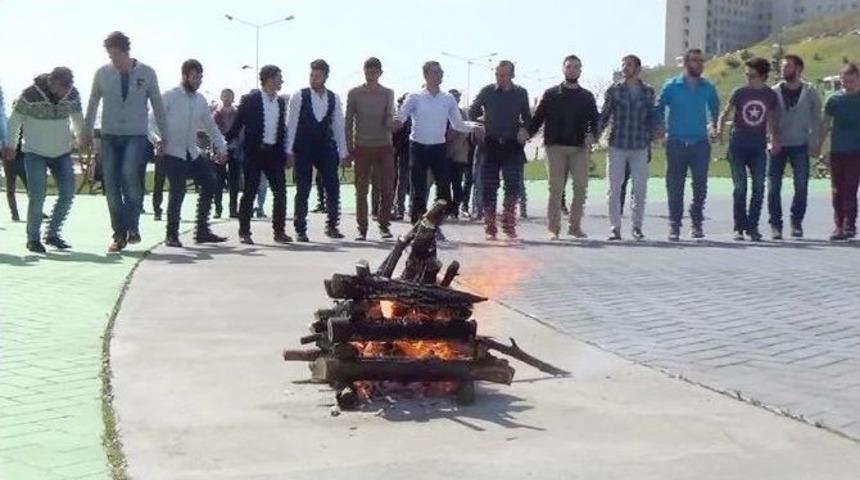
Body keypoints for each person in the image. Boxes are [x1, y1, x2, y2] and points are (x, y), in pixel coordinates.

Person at [82, 31, 167, 252]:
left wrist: (164, 135)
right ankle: (118, 234)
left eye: (117, 54)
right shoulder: (102, 73)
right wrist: (86, 131)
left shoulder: (147, 73)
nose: (114, 60)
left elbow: (157, 104)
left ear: (126, 51)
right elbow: (92, 102)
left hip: (136, 134)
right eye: (110, 55)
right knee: (111, 185)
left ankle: (133, 226)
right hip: (109, 134)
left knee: (130, 174)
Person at [4, 67, 83, 252]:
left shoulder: (72, 94)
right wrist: (11, 145)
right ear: (52, 82)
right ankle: (33, 239)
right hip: (35, 152)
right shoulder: (30, 94)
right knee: (38, 196)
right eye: (61, 88)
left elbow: (77, 118)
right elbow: (15, 120)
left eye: (67, 88)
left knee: (68, 192)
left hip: (62, 152)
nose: (64, 94)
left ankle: (53, 233)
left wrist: (81, 138)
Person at [149, 59, 228, 248]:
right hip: (171, 152)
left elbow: (210, 126)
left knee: (210, 181)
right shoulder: (169, 96)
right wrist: (156, 139)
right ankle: (171, 235)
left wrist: (222, 146)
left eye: (200, 77)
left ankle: (202, 230)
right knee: (178, 190)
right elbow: (149, 122)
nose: (198, 81)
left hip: (191, 152)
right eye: (195, 77)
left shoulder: (200, 100)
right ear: (185, 76)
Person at [396, 61, 472, 235]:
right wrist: (394, 122)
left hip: (438, 147)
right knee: (419, 189)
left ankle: (434, 224)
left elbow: (458, 124)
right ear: (426, 75)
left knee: (444, 190)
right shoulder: (415, 97)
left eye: (441, 72)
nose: (440, 75)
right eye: (436, 72)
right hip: (418, 146)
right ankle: (417, 226)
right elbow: (401, 116)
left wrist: (474, 128)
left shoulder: (448, 98)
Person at [528, 54, 599, 240]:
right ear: (563, 69)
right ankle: (553, 228)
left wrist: (593, 135)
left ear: (581, 70)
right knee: (556, 189)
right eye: (569, 67)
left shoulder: (587, 97)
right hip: (555, 147)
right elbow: (538, 118)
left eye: (576, 67)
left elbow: (595, 121)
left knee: (581, 187)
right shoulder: (551, 94)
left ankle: (575, 226)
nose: (572, 70)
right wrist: (526, 134)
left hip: (579, 148)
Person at [654, 48, 720, 241]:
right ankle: (674, 225)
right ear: (685, 63)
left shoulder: (708, 87)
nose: (699, 64)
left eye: (701, 61)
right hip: (676, 142)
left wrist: (715, 126)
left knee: (700, 185)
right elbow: (658, 107)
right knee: (675, 185)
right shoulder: (671, 86)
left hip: (700, 143)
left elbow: (715, 108)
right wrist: (659, 128)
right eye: (694, 60)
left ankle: (697, 222)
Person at [226, 64, 291, 245]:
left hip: (274, 154)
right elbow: (237, 125)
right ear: (269, 79)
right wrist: (223, 144)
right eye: (279, 77)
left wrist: (286, 152)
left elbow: (282, 130)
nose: (281, 81)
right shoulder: (250, 100)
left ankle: (279, 231)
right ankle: (244, 231)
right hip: (254, 153)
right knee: (249, 191)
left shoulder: (280, 102)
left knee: (280, 192)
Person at [717, 57, 780, 242]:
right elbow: (726, 113)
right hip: (738, 146)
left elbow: (770, 119)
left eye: (752, 75)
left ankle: (753, 226)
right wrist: (719, 130)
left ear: (763, 76)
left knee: (759, 187)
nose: (748, 78)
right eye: (746, 75)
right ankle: (739, 227)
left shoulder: (769, 95)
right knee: (740, 187)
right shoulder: (740, 92)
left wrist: (774, 139)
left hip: (758, 148)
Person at [468, 60, 532, 240]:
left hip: (512, 145)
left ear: (512, 75)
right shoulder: (487, 91)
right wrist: (478, 124)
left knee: (513, 185)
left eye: (503, 75)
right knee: (489, 185)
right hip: (490, 144)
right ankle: (490, 225)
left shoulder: (520, 93)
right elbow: (472, 111)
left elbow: (528, 118)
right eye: (497, 74)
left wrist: (524, 129)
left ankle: (508, 223)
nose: (500, 78)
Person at [286, 59, 349, 242]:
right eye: (312, 75)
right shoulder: (299, 95)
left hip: (325, 146)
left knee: (333, 186)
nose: (314, 78)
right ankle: (300, 228)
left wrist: (343, 152)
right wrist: (288, 150)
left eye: (318, 75)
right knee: (303, 187)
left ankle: (332, 225)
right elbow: (291, 124)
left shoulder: (333, 97)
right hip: (304, 147)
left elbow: (338, 125)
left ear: (325, 77)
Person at [598, 54, 655, 241]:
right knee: (614, 188)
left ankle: (637, 227)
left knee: (639, 188)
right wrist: (594, 135)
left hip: (639, 145)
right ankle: (615, 227)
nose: (625, 68)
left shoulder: (648, 91)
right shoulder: (614, 91)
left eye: (629, 65)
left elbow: (651, 118)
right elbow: (605, 115)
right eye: (623, 65)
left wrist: (654, 137)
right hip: (618, 145)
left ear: (638, 69)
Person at [768, 54, 821, 239]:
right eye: (782, 66)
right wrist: (773, 139)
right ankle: (775, 224)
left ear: (798, 69)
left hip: (800, 144)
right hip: (778, 145)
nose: (784, 69)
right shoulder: (774, 92)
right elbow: (770, 118)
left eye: (788, 66)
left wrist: (815, 141)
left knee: (801, 185)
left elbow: (816, 118)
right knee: (774, 186)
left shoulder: (810, 91)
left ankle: (796, 220)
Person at [345, 57, 396, 240]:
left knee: (387, 188)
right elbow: (348, 121)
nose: (371, 74)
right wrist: (348, 148)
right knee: (361, 189)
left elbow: (390, 115)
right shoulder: (355, 93)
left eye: (374, 71)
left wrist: (393, 122)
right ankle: (362, 228)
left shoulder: (388, 93)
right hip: (362, 146)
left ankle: (384, 225)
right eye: (368, 71)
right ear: (364, 72)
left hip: (384, 145)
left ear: (380, 73)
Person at [821, 63, 860, 241]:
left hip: (856, 151)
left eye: (851, 81)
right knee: (837, 189)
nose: (847, 84)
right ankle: (839, 225)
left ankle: (849, 224)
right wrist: (822, 147)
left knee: (850, 188)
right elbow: (825, 125)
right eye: (844, 81)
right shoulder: (834, 100)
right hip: (838, 150)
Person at [213, 88, 243, 218]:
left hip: (235, 149)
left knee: (234, 181)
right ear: (221, 97)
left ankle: (233, 209)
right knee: (218, 180)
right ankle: (218, 209)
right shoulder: (216, 114)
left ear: (233, 98)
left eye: (229, 96)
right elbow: (213, 132)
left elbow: (241, 131)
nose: (227, 98)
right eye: (225, 96)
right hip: (220, 150)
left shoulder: (237, 114)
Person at [447, 89, 473, 220]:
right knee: (445, 183)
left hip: (458, 154)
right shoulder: (444, 112)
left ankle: (455, 208)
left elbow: (465, 132)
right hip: (445, 152)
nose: (455, 99)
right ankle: (447, 208)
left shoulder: (462, 114)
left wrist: (453, 150)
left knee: (456, 183)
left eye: (457, 97)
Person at [392, 93, 412, 220]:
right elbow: (395, 134)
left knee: (413, 180)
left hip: (415, 149)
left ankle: (411, 208)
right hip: (401, 151)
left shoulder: (416, 114)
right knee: (402, 180)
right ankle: (399, 208)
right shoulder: (399, 115)